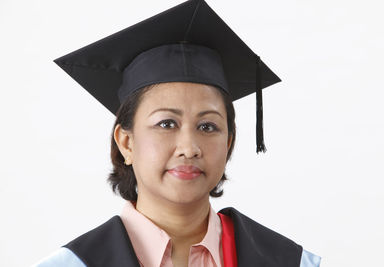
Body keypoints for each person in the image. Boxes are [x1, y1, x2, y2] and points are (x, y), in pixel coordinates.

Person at [34, 0, 321, 266]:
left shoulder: (288, 261)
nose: (189, 147)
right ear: (126, 142)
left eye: (208, 126)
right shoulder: (73, 264)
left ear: (229, 142)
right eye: (166, 124)